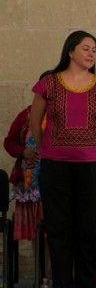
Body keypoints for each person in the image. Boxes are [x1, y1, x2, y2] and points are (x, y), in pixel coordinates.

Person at [29, 30, 96, 288]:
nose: (91, 53)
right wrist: (49, 149)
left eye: (94, 49)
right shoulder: (48, 84)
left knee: (88, 226)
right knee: (58, 225)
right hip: (55, 165)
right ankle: (62, 287)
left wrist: (94, 150)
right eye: (85, 48)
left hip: (92, 166)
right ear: (70, 51)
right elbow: (35, 123)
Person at [4, 101, 45, 244]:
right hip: (30, 185)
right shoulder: (25, 116)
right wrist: (23, 152)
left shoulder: (62, 116)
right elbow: (9, 142)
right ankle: (40, 259)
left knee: (55, 232)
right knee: (37, 233)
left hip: (55, 184)